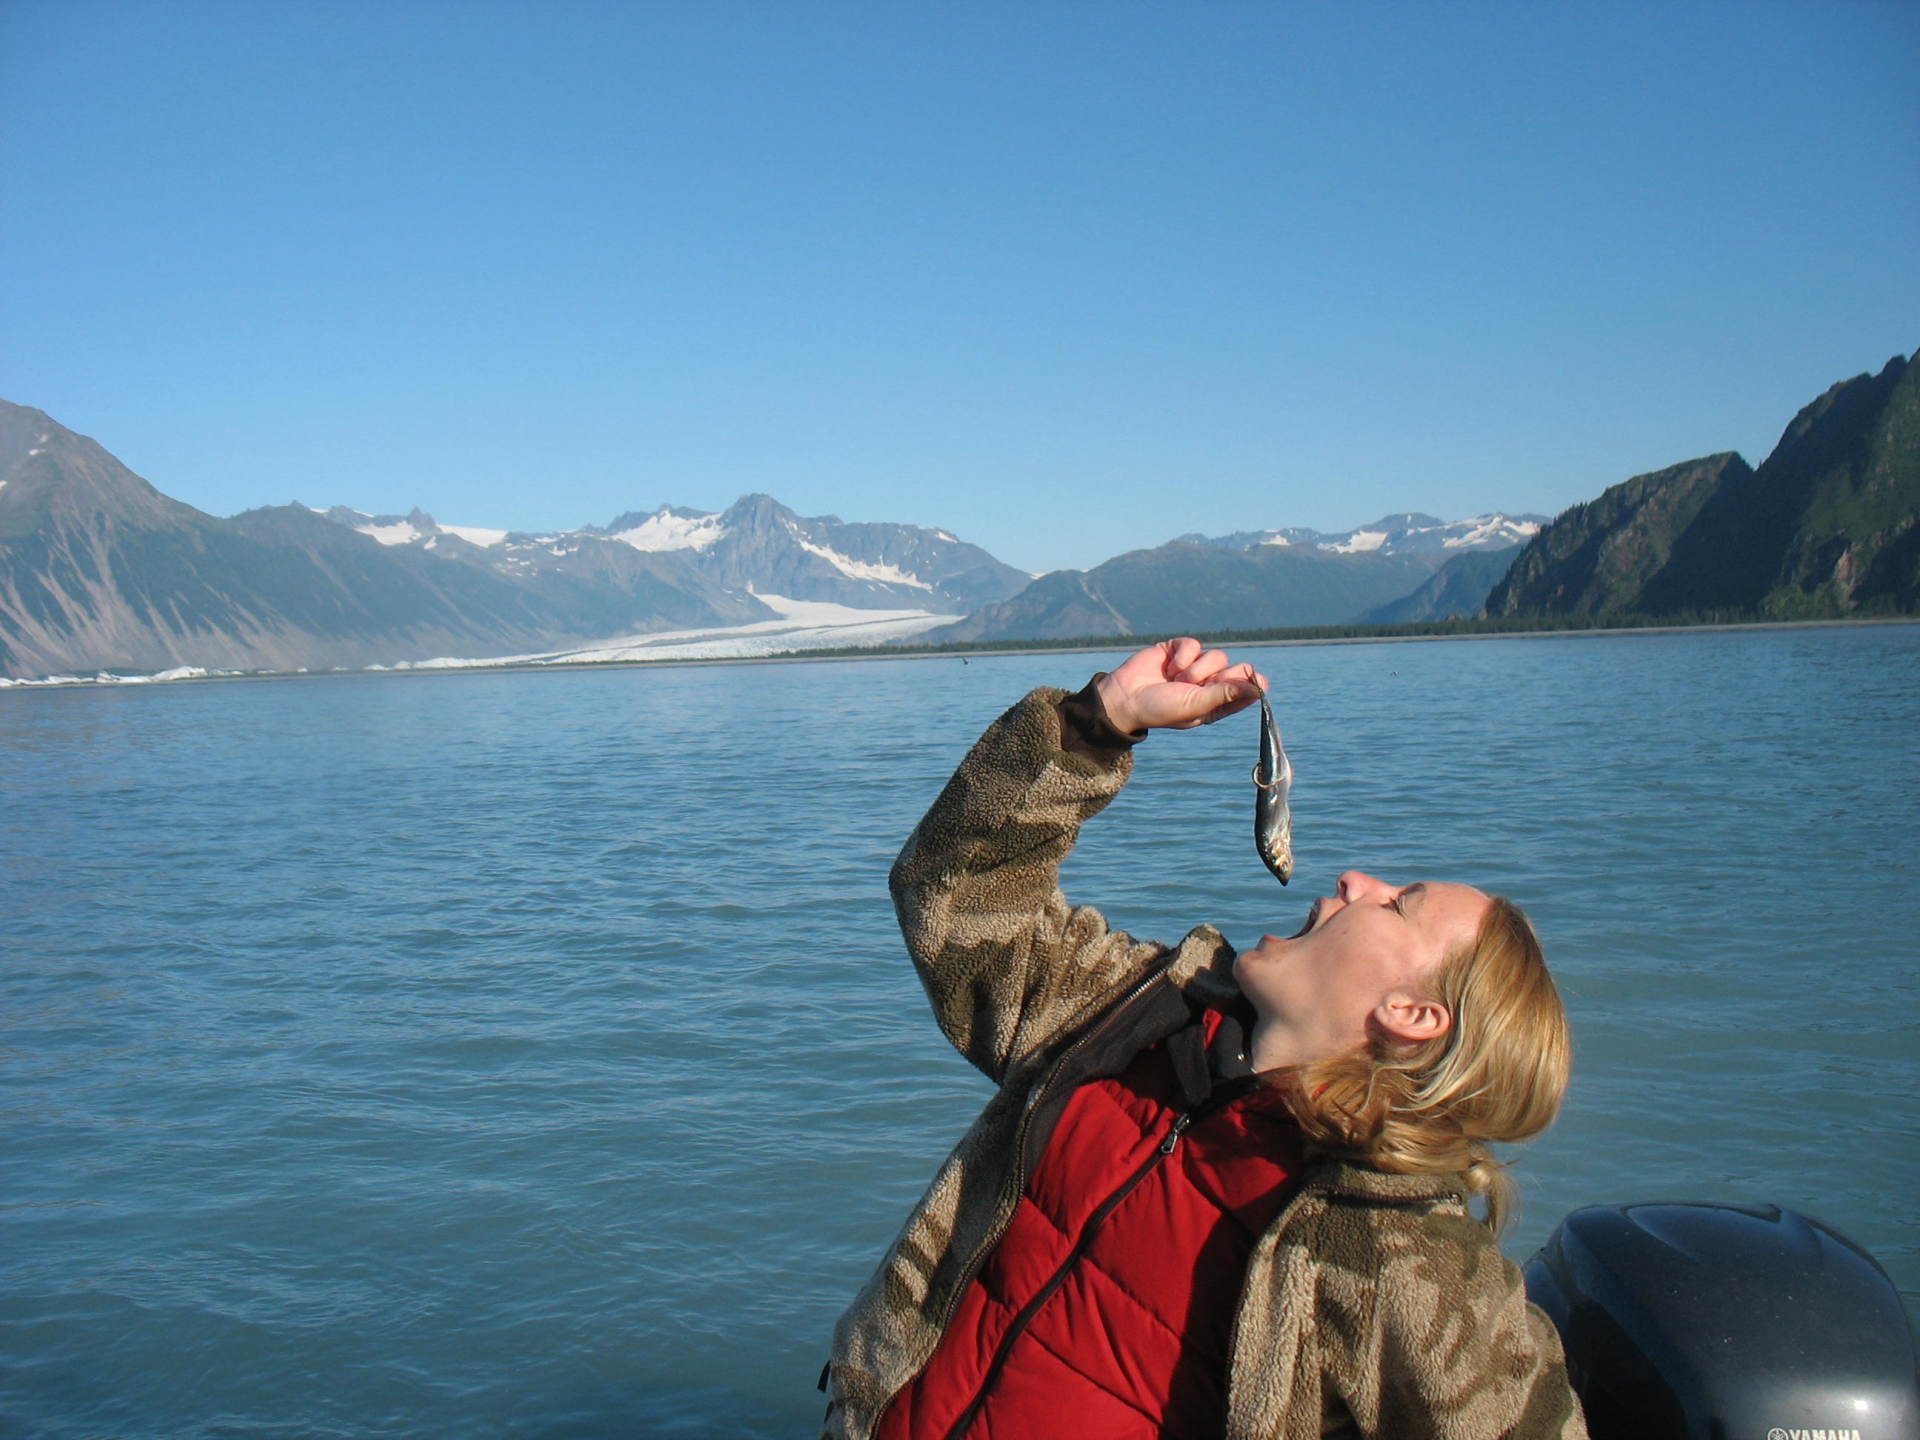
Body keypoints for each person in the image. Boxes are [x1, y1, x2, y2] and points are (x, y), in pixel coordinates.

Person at [821, 638, 1585, 1439]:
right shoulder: (1134, 1016)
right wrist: (1097, 722)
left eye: (1399, 905)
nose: (1359, 880)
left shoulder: (1406, 1252)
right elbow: (952, 892)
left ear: (1415, 1014)